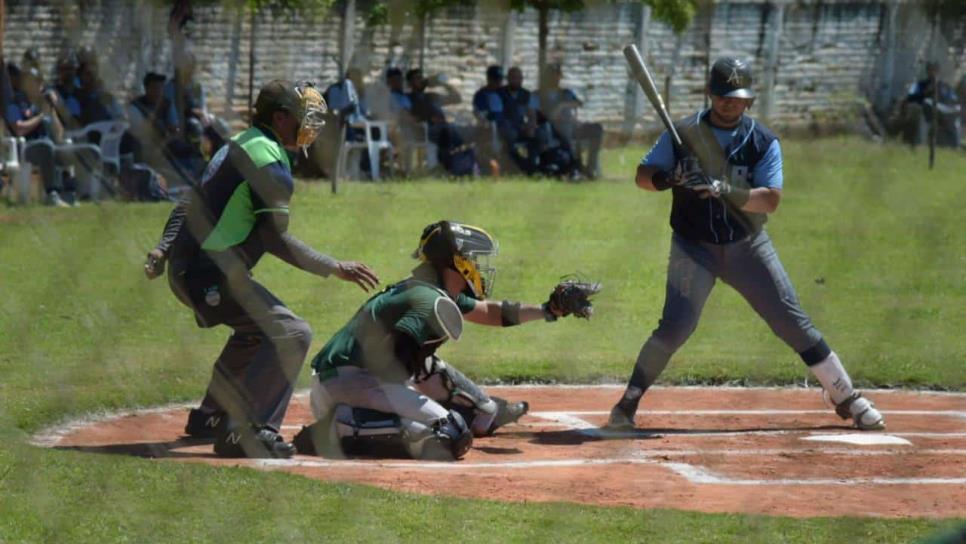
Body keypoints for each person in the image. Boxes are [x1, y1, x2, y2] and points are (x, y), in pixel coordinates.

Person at [606, 58, 885, 433]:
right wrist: (670, 177)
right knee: (675, 328)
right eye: (722, 96)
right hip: (694, 248)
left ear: (749, 100)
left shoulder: (762, 141)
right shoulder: (684, 133)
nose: (729, 104)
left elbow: (769, 199)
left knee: (793, 322)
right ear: (711, 94)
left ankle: (847, 397)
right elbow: (642, 177)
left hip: (748, 247)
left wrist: (725, 190)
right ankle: (627, 404)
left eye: (737, 98)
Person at [143, 80, 381, 458]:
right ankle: (248, 429)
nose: (311, 127)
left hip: (198, 268)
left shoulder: (242, 142)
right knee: (292, 333)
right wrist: (335, 267)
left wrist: (163, 249)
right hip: (208, 274)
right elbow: (275, 239)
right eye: (304, 118)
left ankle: (211, 416)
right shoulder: (269, 164)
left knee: (256, 331)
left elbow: (191, 200)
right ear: (281, 117)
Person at [293, 221, 595, 460]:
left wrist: (549, 309)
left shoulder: (436, 292)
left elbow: (490, 311)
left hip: (355, 379)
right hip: (348, 383)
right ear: (457, 260)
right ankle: (338, 428)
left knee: (436, 374)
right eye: (474, 258)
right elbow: (394, 359)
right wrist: (422, 400)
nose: (480, 265)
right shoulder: (427, 299)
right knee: (449, 434)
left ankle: (479, 414)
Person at [535, 64, 603, 178]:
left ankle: (591, 167)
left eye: (557, 75)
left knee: (596, 129)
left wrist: (562, 105)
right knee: (566, 132)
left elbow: (578, 103)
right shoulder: (538, 95)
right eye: (552, 76)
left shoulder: (566, 92)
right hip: (552, 129)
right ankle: (575, 167)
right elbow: (545, 116)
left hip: (571, 126)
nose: (555, 78)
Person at [902, 62, 961, 149]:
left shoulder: (944, 85)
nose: (933, 73)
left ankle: (956, 145)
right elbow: (910, 98)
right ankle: (921, 142)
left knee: (955, 116)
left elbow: (953, 99)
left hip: (943, 114)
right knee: (924, 112)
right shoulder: (920, 84)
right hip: (926, 112)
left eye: (935, 70)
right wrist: (925, 92)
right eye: (930, 70)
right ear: (927, 71)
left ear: (939, 72)